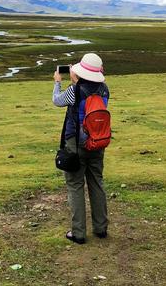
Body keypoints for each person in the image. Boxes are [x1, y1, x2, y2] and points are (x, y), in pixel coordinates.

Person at [52, 52, 110, 244]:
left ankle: (78, 233)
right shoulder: (104, 89)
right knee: (96, 183)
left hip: (75, 144)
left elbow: (57, 101)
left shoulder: (74, 90)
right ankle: (101, 229)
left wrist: (58, 82)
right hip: (98, 142)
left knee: (76, 185)